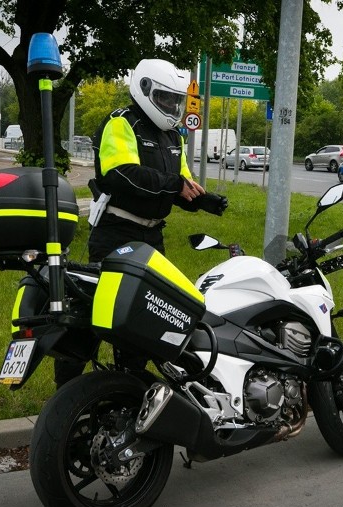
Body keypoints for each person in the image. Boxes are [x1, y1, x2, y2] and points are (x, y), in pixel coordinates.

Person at [56, 58, 227, 386]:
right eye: (165, 99)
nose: (171, 107)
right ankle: (69, 391)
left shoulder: (173, 138)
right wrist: (175, 184)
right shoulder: (121, 123)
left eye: (176, 101)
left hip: (152, 239)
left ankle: (128, 387)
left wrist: (202, 200)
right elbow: (121, 175)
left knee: (144, 318)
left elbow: (181, 185)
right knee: (98, 314)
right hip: (116, 232)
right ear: (145, 89)